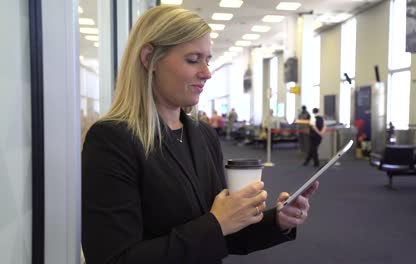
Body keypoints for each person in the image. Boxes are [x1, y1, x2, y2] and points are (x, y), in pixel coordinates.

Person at [81, 5, 319, 264]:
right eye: (193, 60)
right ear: (149, 58)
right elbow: (114, 259)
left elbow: (224, 236)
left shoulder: (202, 134)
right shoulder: (112, 140)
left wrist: (278, 221)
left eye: (207, 60)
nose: (206, 72)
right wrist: (217, 223)